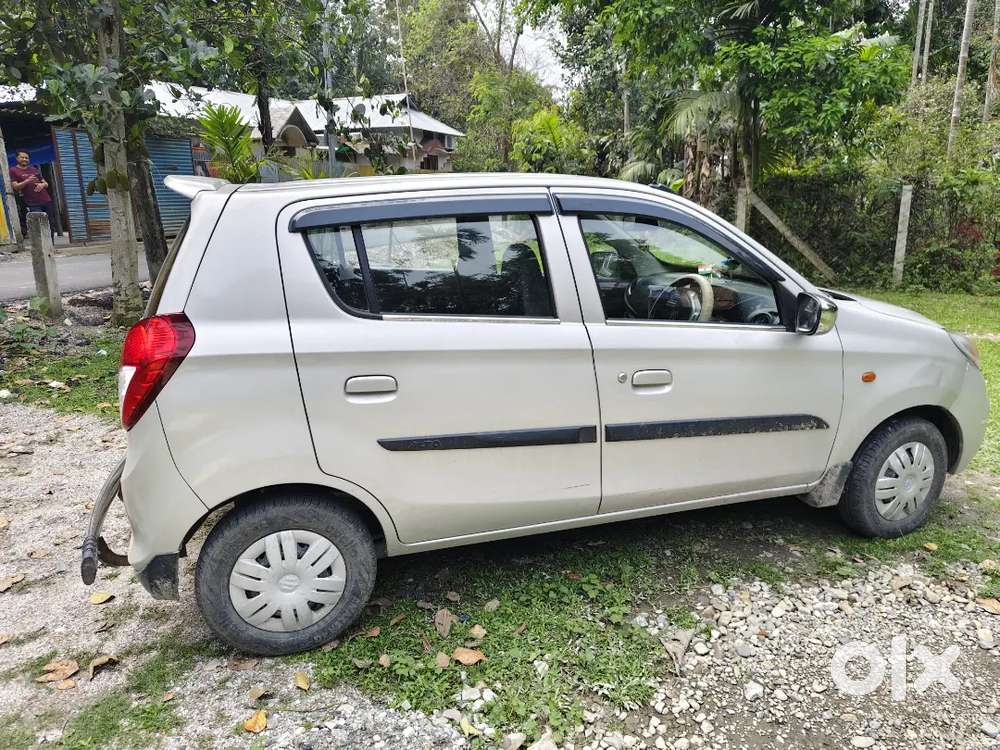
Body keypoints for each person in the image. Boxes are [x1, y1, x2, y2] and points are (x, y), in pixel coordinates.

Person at [9, 150, 56, 238]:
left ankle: (51, 247)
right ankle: (42, 249)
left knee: (50, 224)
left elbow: (46, 183)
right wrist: (27, 181)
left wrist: (42, 185)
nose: (24, 159)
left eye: (26, 158)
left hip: (46, 200)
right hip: (32, 203)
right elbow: (15, 187)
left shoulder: (34, 169)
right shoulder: (13, 170)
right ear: (17, 158)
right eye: (22, 157)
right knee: (38, 225)